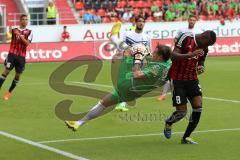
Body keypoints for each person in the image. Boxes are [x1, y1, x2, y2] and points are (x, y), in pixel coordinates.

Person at [65, 44, 186, 131]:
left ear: (159, 57)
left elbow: (136, 74)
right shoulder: (168, 65)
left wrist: (138, 59)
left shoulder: (157, 68)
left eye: (155, 52)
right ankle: (78, 123)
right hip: (134, 93)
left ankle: (117, 54)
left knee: (128, 52)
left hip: (127, 84)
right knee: (103, 103)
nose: (153, 53)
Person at [163, 30, 217, 144]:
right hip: (177, 79)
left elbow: (202, 61)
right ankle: (169, 122)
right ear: (203, 37)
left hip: (192, 79)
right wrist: (190, 54)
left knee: (198, 107)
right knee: (182, 112)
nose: (207, 47)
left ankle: (186, 137)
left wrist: (201, 66)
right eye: (207, 44)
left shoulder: (204, 47)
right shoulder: (186, 38)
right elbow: (173, 56)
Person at [111, 15, 151, 112]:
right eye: (139, 21)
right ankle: (121, 103)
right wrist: (117, 54)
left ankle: (120, 101)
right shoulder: (128, 34)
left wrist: (150, 62)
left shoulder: (147, 37)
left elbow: (148, 50)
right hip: (128, 60)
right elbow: (122, 47)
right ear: (136, 22)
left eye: (143, 21)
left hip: (139, 62)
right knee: (128, 83)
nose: (141, 23)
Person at [158, 14, 197, 101]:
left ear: (195, 21)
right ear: (188, 20)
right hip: (180, 57)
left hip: (190, 59)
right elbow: (175, 39)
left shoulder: (197, 32)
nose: (192, 21)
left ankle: (187, 94)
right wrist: (179, 48)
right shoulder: (182, 30)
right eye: (190, 20)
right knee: (172, 75)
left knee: (189, 77)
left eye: (193, 20)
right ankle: (163, 95)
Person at [0, 14, 33, 100]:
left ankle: (8, 93)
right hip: (12, 55)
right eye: (23, 19)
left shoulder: (30, 32)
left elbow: (27, 44)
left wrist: (21, 37)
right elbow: (9, 31)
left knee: (17, 76)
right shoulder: (14, 30)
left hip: (21, 57)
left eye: (26, 19)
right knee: (6, 72)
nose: (25, 21)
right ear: (20, 21)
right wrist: (12, 31)